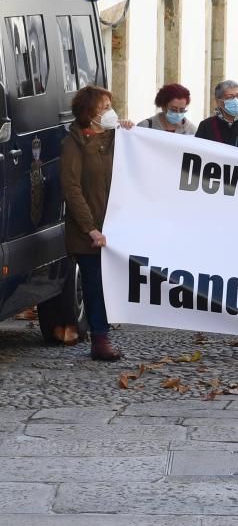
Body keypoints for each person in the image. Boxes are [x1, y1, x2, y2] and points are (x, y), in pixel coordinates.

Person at [60, 85, 135, 361]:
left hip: (117, 227)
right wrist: (90, 227)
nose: (109, 112)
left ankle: (104, 332)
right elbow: (72, 188)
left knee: (112, 283)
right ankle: (100, 339)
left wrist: (130, 131)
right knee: (95, 285)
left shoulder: (118, 138)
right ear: (89, 113)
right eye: (103, 108)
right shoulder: (74, 143)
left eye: (109, 107)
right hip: (89, 232)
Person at [195, 80, 238, 147]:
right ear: (218, 101)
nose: (236, 100)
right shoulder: (206, 126)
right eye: (230, 97)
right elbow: (198, 150)